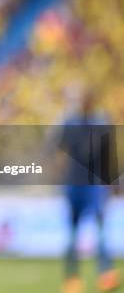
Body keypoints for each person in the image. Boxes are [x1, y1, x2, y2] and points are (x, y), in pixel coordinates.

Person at [59, 92, 120, 293]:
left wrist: (111, 182)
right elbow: (60, 151)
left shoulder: (97, 125)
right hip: (78, 185)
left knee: (99, 234)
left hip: (92, 186)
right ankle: (73, 279)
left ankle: (104, 276)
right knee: (74, 235)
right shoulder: (72, 124)